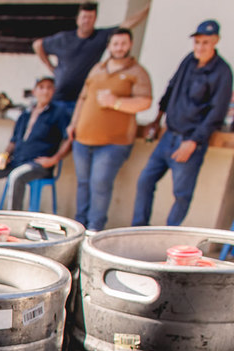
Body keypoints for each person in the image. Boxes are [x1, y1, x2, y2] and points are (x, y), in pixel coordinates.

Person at [131, 20, 233, 227]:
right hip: (169, 134)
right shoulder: (189, 60)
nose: (200, 47)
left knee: (181, 194)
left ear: (216, 41)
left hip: (189, 140)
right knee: (145, 181)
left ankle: (169, 236)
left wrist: (194, 141)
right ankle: (138, 228)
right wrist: (157, 119)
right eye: (197, 42)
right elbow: (171, 88)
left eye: (205, 42)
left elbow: (217, 112)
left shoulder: (222, 72)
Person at [66, 28, 153, 230]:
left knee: (100, 185)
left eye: (123, 43)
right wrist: (74, 123)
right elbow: (83, 97)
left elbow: (145, 102)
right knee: (83, 184)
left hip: (113, 143)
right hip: (83, 138)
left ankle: (94, 230)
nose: (119, 47)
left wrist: (116, 103)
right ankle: (79, 228)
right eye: (115, 43)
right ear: (109, 46)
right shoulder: (98, 68)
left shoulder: (137, 72)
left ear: (130, 45)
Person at [32, 1, 152, 114]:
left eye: (90, 18)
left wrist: (148, 7)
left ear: (95, 20)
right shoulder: (64, 38)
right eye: (84, 17)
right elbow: (37, 45)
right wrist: (51, 68)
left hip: (82, 99)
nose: (87, 21)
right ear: (78, 19)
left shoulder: (100, 37)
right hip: (59, 97)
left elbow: (127, 24)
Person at [0, 76, 71, 210]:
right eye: (41, 88)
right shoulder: (25, 114)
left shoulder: (58, 113)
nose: (45, 91)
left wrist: (54, 160)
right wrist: (5, 155)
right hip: (16, 160)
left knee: (16, 177)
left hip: (38, 164)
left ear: (53, 91)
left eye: (49, 88)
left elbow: (69, 139)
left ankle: (13, 221)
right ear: (34, 91)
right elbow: (13, 141)